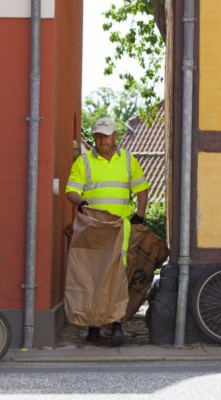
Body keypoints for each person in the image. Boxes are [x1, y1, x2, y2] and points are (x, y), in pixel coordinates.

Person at [65, 117, 149, 346]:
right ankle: (93, 326)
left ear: (115, 136)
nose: (102, 140)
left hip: (119, 228)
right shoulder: (84, 162)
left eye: (106, 135)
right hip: (94, 229)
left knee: (117, 278)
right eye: (98, 136)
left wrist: (140, 215)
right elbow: (71, 190)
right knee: (94, 277)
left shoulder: (128, 161)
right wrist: (81, 203)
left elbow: (142, 189)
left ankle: (116, 325)